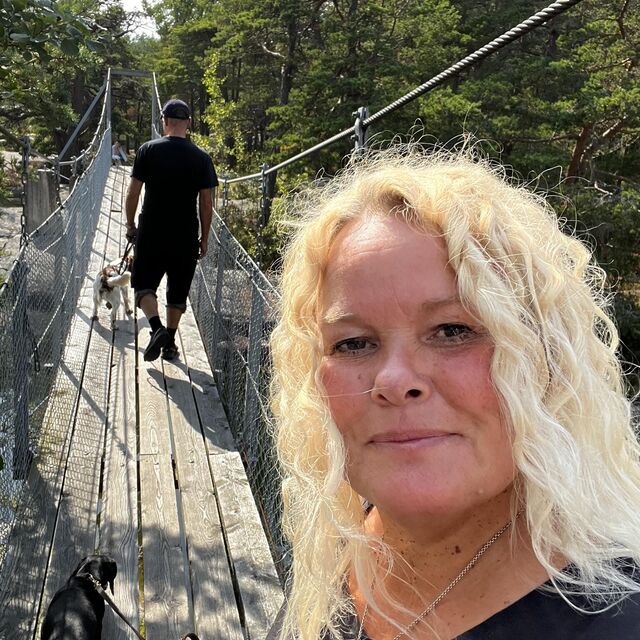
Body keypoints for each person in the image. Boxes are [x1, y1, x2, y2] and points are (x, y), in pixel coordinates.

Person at [266, 144, 640, 639]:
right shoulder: (347, 540)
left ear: (547, 360)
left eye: (452, 330)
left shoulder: (617, 619)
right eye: (353, 343)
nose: (394, 381)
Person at [125, 99, 218, 361]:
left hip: (151, 232)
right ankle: (170, 344)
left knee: (144, 285)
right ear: (189, 123)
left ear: (164, 121)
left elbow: (133, 194)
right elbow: (206, 204)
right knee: (177, 291)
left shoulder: (147, 150)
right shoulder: (202, 158)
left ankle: (156, 329)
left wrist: (130, 226)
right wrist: (204, 238)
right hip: (185, 235)